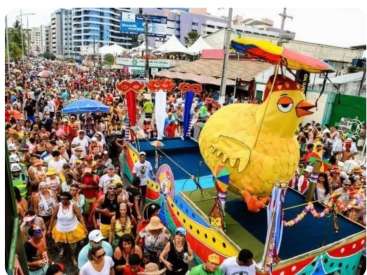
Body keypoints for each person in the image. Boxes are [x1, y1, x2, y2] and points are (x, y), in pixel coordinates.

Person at [49, 191, 87, 265]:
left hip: (72, 228)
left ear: (68, 199)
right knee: (59, 243)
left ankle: (72, 256)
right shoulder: (58, 206)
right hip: (60, 229)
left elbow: (80, 217)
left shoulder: (73, 206)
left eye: (65, 199)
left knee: (73, 246)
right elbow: (53, 217)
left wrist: (84, 227)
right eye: (61, 199)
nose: (63, 200)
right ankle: (62, 249)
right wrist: (49, 228)